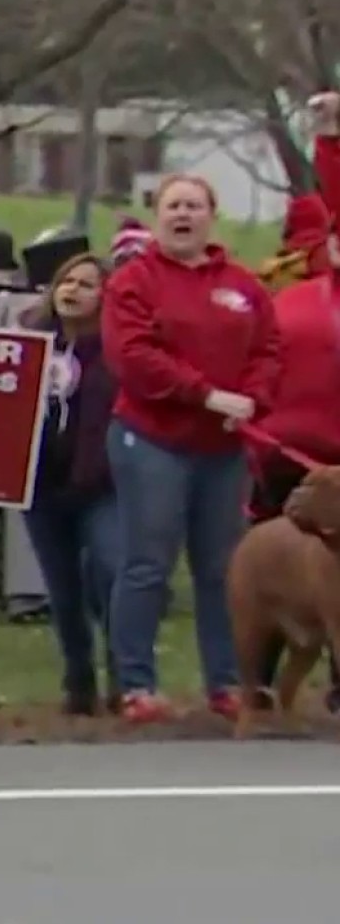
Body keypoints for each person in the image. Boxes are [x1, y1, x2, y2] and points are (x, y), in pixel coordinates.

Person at [103, 173, 279, 724]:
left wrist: (252, 398)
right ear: (159, 216)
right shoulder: (134, 281)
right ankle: (136, 685)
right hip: (152, 439)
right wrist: (205, 396)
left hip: (223, 448)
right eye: (173, 206)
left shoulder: (243, 286)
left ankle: (227, 683)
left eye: (194, 206)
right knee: (147, 563)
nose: (183, 215)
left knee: (222, 567)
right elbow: (133, 357)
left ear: (211, 216)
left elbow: (269, 348)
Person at [18, 253, 124, 716]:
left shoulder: (118, 349)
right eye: (66, 281)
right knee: (62, 590)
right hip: (42, 485)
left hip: (101, 484)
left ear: (105, 296)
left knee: (110, 572)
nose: (72, 290)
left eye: (86, 284)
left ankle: (125, 676)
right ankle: (78, 682)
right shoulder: (29, 342)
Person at [246, 203, 340, 712]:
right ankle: (256, 682)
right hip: (287, 455)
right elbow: (259, 358)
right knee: (275, 565)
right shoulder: (290, 301)